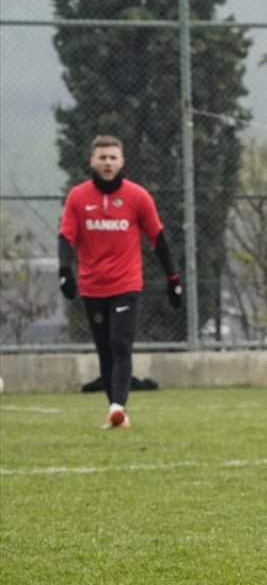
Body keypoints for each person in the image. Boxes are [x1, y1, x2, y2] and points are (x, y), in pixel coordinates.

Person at [58, 135, 182, 429]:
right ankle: (117, 414)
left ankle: (117, 405)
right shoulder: (78, 197)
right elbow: (66, 237)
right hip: (92, 286)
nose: (108, 163)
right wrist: (65, 270)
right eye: (102, 157)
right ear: (92, 161)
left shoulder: (138, 196)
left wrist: (172, 277)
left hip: (126, 284)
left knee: (120, 343)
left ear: (122, 161)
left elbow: (157, 237)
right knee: (105, 349)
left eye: (113, 157)